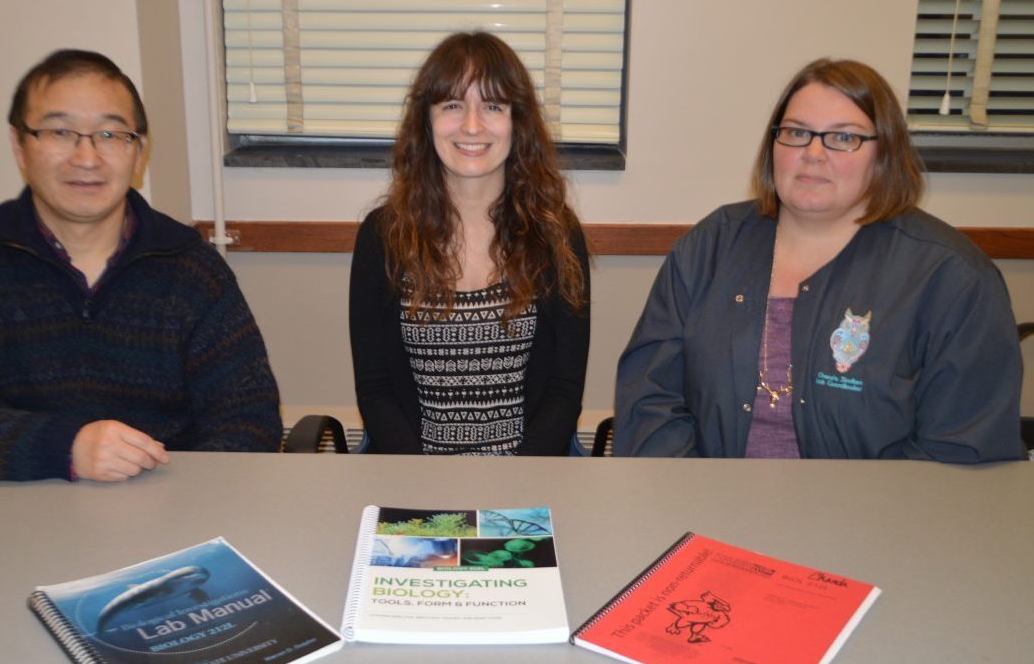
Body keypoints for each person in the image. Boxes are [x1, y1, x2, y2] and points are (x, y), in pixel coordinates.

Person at [0, 49, 283, 481]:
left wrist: (175, 498)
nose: (87, 157)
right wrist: (66, 448)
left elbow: (249, 419)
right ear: (20, 146)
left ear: (138, 153)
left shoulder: (192, 268)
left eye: (111, 135)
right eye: (60, 132)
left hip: (165, 510)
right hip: (6, 509)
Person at [615, 58, 1024, 462]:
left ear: (885, 155)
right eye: (796, 132)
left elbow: (956, 454)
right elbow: (650, 401)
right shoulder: (710, 246)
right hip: (706, 512)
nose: (813, 152)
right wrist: (692, 503)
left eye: (844, 138)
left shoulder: (952, 278)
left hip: (875, 522)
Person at [349, 31, 590, 455]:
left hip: (527, 477)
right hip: (414, 476)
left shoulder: (557, 234)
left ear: (518, 121)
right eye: (453, 106)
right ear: (427, 120)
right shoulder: (383, 235)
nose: (473, 125)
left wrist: (514, 488)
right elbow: (376, 389)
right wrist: (431, 489)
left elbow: (563, 390)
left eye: (493, 106)